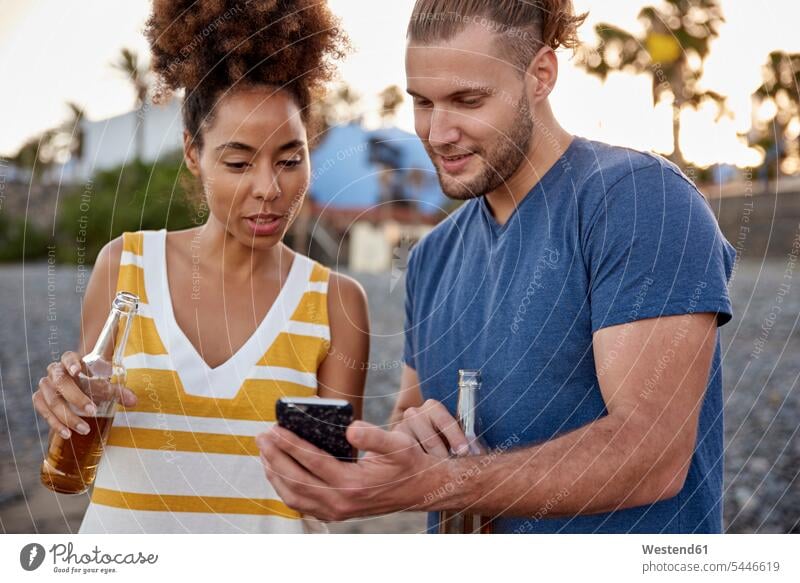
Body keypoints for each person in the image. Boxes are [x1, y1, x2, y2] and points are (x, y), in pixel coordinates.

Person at [257, 0, 737, 534]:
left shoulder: (639, 202)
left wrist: (444, 481)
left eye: (467, 100)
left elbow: (651, 454)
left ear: (540, 74)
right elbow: (411, 422)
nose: (438, 133)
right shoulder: (432, 256)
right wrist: (363, 461)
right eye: (422, 102)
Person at [32, 0, 368, 534]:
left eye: (290, 158)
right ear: (193, 152)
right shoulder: (124, 267)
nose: (269, 189)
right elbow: (86, 410)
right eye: (237, 162)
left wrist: (380, 467)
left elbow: (327, 489)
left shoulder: (335, 301)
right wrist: (64, 397)